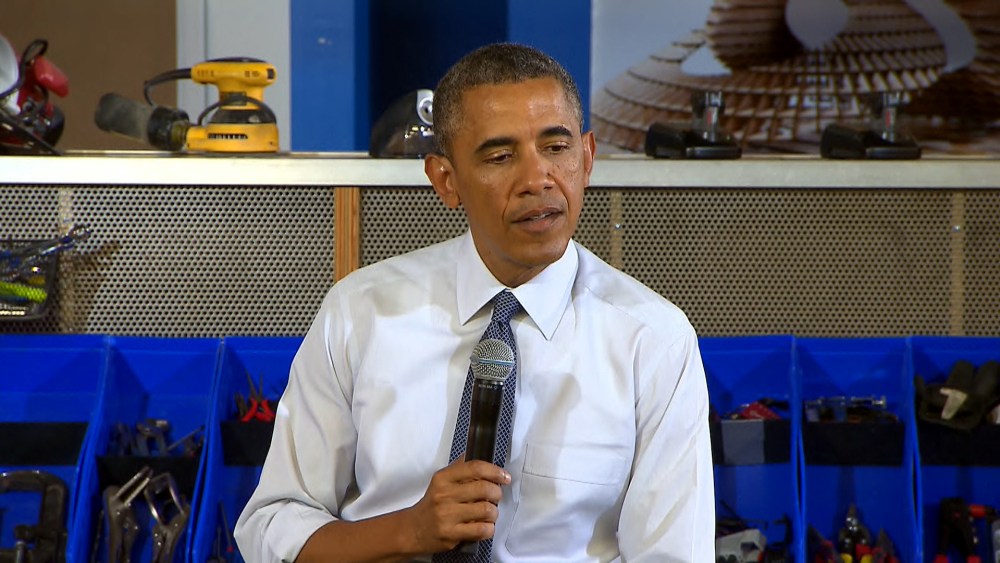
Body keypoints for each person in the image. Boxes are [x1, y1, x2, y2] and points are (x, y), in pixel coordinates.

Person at [234, 42, 715, 562]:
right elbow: (271, 526)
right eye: (500, 157)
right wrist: (408, 532)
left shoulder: (653, 340)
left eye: (557, 147)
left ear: (587, 157)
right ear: (446, 180)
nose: (537, 180)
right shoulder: (361, 313)